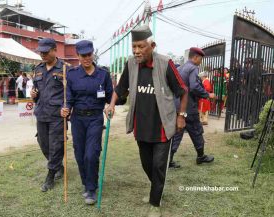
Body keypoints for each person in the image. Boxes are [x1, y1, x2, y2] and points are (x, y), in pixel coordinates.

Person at [104, 25, 188, 217]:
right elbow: (120, 88)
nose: (136, 51)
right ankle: (156, 191)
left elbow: (183, 91)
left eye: (141, 47)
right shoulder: (131, 64)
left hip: (162, 127)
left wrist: (181, 116)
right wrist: (111, 104)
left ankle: (155, 204)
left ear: (152, 46)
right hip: (141, 126)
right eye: (134, 47)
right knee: (146, 164)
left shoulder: (166, 63)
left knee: (158, 165)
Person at [61, 40, 113, 205]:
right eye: (83, 55)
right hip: (78, 119)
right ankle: (86, 183)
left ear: (93, 53)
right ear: (78, 56)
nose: (86, 58)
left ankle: (91, 188)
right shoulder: (72, 74)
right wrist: (65, 108)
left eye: (89, 54)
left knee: (91, 153)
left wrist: (110, 106)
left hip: (95, 119)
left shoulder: (103, 74)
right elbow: (69, 98)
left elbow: (111, 96)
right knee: (80, 154)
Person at [30, 38, 71, 192]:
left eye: (46, 52)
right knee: (43, 143)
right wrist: (33, 95)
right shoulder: (38, 69)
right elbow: (36, 92)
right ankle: (58, 165)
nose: (43, 54)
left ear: (55, 50)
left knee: (56, 145)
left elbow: (71, 94)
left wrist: (67, 108)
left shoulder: (66, 69)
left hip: (57, 115)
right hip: (41, 113)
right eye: (41, 52)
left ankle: (50, 175)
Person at [169, 47, 215, 169]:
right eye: (200, 59)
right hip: (189, 107)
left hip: (178, 107)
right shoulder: (193, 68)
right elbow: (194, 87)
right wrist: (207, 94)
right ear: (195, 57)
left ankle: (168, 160)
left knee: (177, 133)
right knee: (196, 131)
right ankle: (201, 156)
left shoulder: (180, 68)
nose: (200, 62)